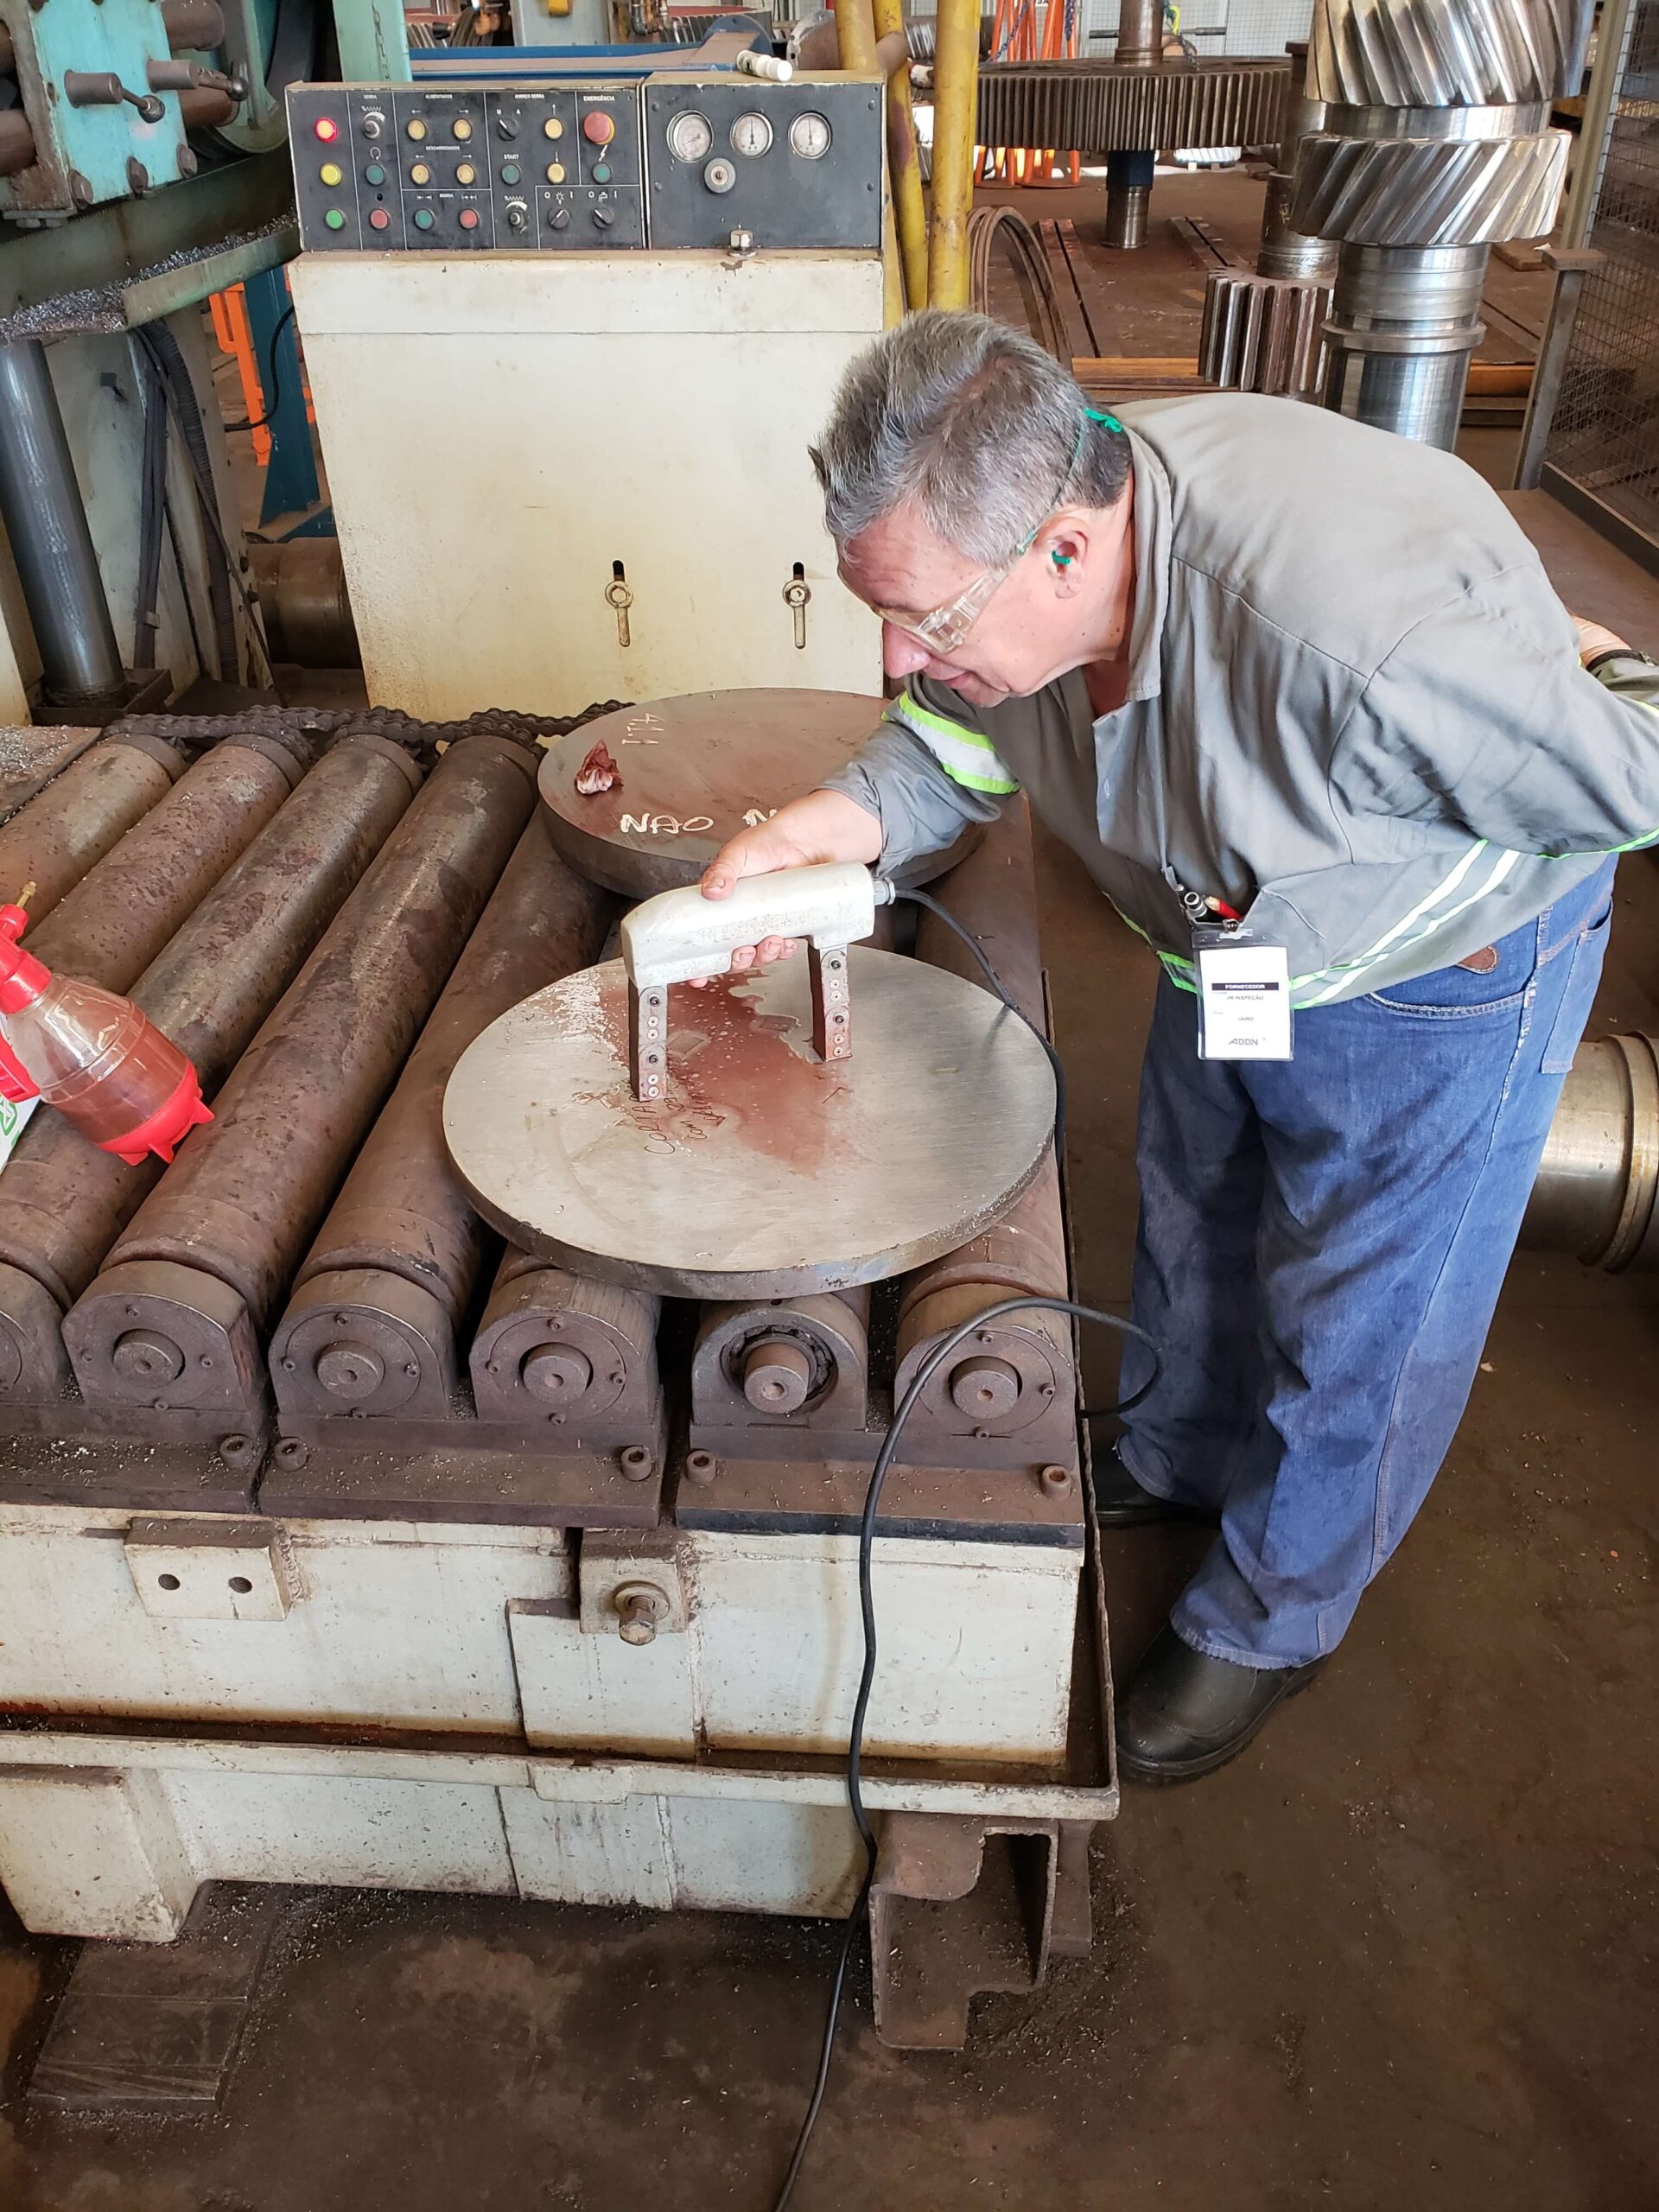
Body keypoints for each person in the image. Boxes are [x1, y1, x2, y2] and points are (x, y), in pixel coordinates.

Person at [696, 310, 1659, 1784]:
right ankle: (1173, 1448)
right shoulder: (1030, 576)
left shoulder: (1363, 642)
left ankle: (1276, 1615)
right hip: (1232, 936)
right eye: (874, 610)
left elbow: (1635, 783)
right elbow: (961, 736)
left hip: (1428, 974)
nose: (898, 654)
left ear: (1066, 551)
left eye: (929, 622)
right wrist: (829, 826)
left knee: (1366, 1316)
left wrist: (1599, 661)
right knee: (1194, 1186)